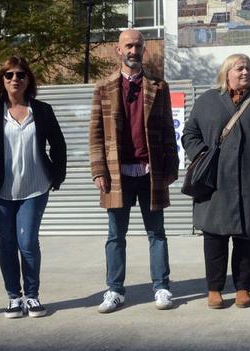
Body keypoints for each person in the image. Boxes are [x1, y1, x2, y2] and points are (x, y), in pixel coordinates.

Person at [181, 54, 250, 309]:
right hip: (215, 182)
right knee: (214, 237)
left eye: (248, 68)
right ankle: (214, 289)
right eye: (239, 68)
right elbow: (189, 134)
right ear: (226, 72)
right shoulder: (207, 100)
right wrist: (202, 154)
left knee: (246, 237)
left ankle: (243, 288)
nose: (244, 72)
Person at [0, 56, 67, 319]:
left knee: (28, 242)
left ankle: (32, 296)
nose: (15, 79)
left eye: (21, 75)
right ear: (2, 79)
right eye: (9, 74)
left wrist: (57, 175)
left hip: (35, 188)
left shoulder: (42, 110)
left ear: (28, 80)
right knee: (7, 243)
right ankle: (14, 297)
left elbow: (58, 144)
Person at [89, 29, 179, 312]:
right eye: (128, 46)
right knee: (115, 235)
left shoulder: (159, 87)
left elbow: (167, 130)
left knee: (157, 233)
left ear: (144, 50)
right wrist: (98, 171)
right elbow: (96, 134)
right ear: (118, 50)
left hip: (150, 172)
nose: (133, 51)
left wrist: (171, 166)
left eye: (138, 46)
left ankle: (162, 287)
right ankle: (115, 290)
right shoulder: (104, 88)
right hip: (117, 174)